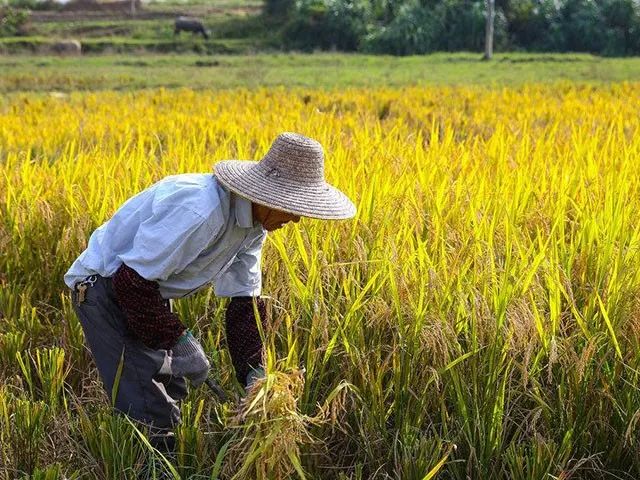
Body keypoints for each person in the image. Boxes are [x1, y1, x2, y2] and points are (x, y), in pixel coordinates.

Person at [64, 132, 356, 450]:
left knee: (172, 385)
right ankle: (148, 466)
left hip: (147, 292)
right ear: (270, 196)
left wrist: (253, 372)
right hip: (104, 289)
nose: (297, 218)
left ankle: (165, 457)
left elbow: (244, 300)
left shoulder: (253, 224)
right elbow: (130, 283)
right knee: (148, 404)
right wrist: (180, 341)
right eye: (292, 207)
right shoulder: (199, 211)